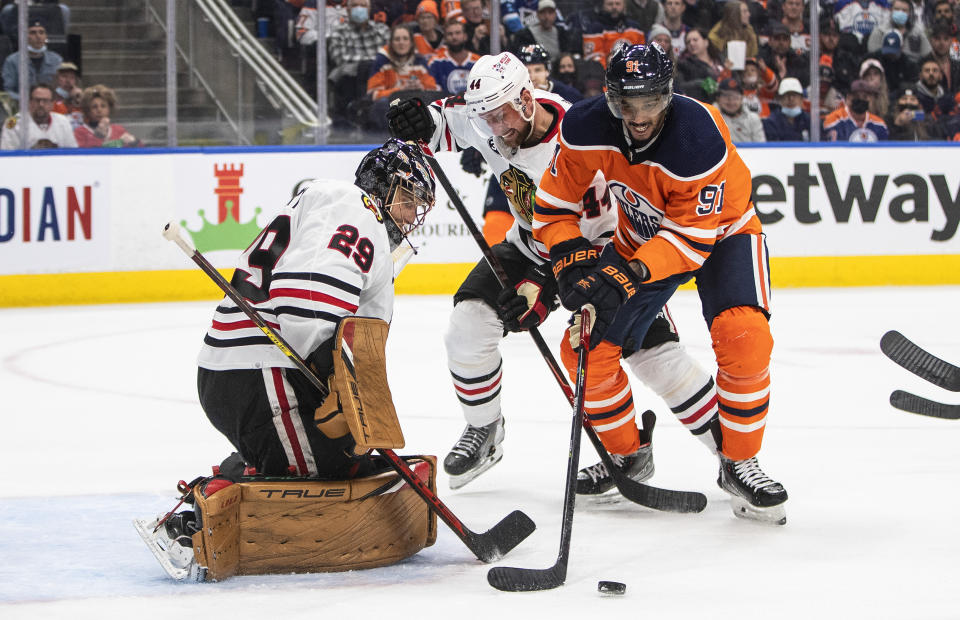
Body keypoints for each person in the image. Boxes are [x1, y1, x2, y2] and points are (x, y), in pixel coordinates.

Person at [387, 51, 721, 494]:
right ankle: (484, 429)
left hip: (604, 251)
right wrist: (416, 119)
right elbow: (447, 122)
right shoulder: (489, 117)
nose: (497, 128)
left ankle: (731, 456)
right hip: (530, 244)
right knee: (469, 324)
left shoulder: (580, 131)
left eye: (503, 115)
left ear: (527, 99)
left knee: (652, 355)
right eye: (488, 118)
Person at [135, 138, 438, 581]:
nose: (412, 215)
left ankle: (252, 466)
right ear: (383, 184)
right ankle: (188, 526)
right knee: (333, 471)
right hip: (260, 373)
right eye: (409, 198)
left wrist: (352, 395)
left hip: (253, 374)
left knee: (345, 453)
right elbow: (307, 298)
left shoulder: (339, 209)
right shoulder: (358, 208)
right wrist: (328, 366)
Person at [532, 43, 788, 524]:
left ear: (667, 96)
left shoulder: (698, 137)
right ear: (609, 98)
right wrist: (569, 260)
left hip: (725, 233)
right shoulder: (586, 128)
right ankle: (628, 455)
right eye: (626, 103)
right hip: (638, 239)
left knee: (745, 337)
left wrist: (621, 275)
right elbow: (551, 207)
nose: (638, 115)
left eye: (649, 101)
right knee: (583, 348)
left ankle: (738, 461)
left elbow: (691, 241)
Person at [325, 0, 390, 121]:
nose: (359, 8)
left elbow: (390, 57)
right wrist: (373, 62)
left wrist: (369, 65)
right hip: (350, 81)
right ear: (348, 10)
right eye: (355, 5)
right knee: (359, 71)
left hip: (379, 77)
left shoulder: (382, 30)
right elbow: (340, 58)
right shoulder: (338, 31)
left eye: (363, 5)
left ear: (369, 9)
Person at [366, 25, 439, 101]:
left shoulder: (420, 61)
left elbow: (433, 90)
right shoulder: (381, 60)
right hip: (390, 106)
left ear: (411, 43)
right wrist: (400, 89)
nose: (401, 42)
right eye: (397, 39)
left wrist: (422, 88)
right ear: (391, 43)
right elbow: (373, 95)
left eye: (405, 39)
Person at [1, 82, 76, 149]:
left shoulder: (63, 121)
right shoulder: (12, 122)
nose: (41, 104)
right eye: (37, 100)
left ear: (52, 103)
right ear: (29, 102)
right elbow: (7, 154)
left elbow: (73, 152)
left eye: (45, 101)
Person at [1, 19, 62, 101]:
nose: (38, 36)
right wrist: (28, 101)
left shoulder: (56, 59)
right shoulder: (12, 61)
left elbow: (61, 87)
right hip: (21, 106)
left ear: (46, 36)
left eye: (41, 32)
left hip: (50, 105)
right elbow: (8, 90)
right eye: (33, 33)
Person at [73, 84, 141, 148]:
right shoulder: (79, 133)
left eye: (103, 106)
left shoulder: (119, 130)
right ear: (87, 110)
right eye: (94, 107)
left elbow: (142, 151)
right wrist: (98, 137)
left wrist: (134, 142)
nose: (99, 110)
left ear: (109, 108)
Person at [824, 79, 890, 141]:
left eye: (865, 97)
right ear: (848, 98)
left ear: (870, 99)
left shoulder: (880, 125)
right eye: (856, 96)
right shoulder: (834, 120)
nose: (861, 99)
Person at [510, 0, 579, 59]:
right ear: (537, 14)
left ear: (555, 14)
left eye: (550, 12)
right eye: (543, 12)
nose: (547, 17)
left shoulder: (562, 34)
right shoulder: (524, 35)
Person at [677, 27, 729, 102]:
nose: (691, 43)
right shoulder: (684, 65)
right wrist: (700, 83)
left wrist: (730, 71)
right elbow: (680, 87)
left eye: (695, 40)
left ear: (706, 42)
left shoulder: (721, 59)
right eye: (688, 42)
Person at [427, 19, 480, 94]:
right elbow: (432, 92)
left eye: (458, 33)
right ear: (445, 38)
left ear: (465, 36)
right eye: (450, 34)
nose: (454, 37)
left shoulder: (478, 61)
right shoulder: (435, 62)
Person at [517, 43, 582, 102]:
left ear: (547, 71)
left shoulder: (570, 96)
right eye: (527, 72)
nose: (532, 77)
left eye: (538, 70)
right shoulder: (514, 98)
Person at [716, 76, 765, 141]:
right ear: (718, 98)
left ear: (742, 98)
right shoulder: (712, 119)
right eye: (726, 96)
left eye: (735, 97)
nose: (731, 101)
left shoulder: (753, 119)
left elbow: (761, 147)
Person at [762, 76, 810, 140]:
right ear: (780, 99)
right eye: (787, 95)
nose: (791, 99)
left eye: (794, 95)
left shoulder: (809, 121)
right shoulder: (771, 122)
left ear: (801, 99)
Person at [51, 60, 82, 129]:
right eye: (64, 76)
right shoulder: (51, 96)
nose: (68, 81)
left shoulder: (80, 97)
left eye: (72, 77)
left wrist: (79, 99)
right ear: (57, 79)